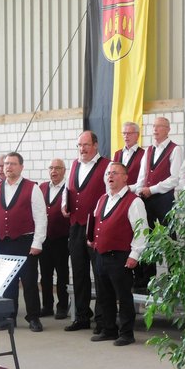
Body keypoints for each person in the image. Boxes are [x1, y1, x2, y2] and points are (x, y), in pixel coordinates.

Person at [0, 152, 47, 332]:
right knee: (7, 282)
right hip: (3, 242)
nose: (8, 167)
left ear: (21, 167)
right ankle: (9, 317)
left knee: (29, 282)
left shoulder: (32, 188)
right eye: (6, 164)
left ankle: (33, 317)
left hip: (26, 242)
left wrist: (37, 242)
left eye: (12, 164)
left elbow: (41, 217)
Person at [90, 162, 148, 346]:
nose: (110, 176)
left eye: (115, 173)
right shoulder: (102, 199)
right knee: (104, 295)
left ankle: (126, 333)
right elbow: (97, 221)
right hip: (101, 254)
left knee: (123, 297)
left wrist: (135, 255)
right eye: (108, 173)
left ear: (125, 177)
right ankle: (109, 329)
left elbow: (142, 231)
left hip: (120, 256)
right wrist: (91, 239)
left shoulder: (134, 201)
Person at [61, 131, 111, 332]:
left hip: (96, 226)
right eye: (80, 145)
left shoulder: (107, 166)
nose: (82, 149)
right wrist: (64, 205)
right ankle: (82, 316)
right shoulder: (74, 164)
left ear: (96, 145)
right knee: (79, 272)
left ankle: (102, 319)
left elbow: (112, 195)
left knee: (99, 273)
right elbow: (67, 189)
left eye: (86, 145)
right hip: (75, 226)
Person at [134, 117, 183, 292]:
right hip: (147, 200)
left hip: (164, 200)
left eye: (159, 126)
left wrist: (152, 189)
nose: (155, 129)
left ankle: (175, 282)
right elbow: (142, 176)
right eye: (153, 126)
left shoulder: (175, 149)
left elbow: (174, 179)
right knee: (146, 239)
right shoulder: (148, 150)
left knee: (169, 239)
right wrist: (139, 191)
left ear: (168, 129)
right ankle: (148, 281)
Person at [39, 158, 70, 320]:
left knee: (62, 274)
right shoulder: (42, 187)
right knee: (45, 274)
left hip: (62, 238)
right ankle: (47, 306)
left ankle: (63, 306)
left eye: (57, 168)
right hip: (44, 238)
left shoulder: (69, 188)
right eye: (51, 168)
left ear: (64, 171)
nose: (54, 171)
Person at [113, 122, 144, 190]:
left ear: (137, 135)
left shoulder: (144, 154)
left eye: (129, 133)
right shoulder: (117, 154)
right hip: (118, 193)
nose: (126, 136)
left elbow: (144, 179)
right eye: (124, 133)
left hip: (135, 193)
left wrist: (128, 188)